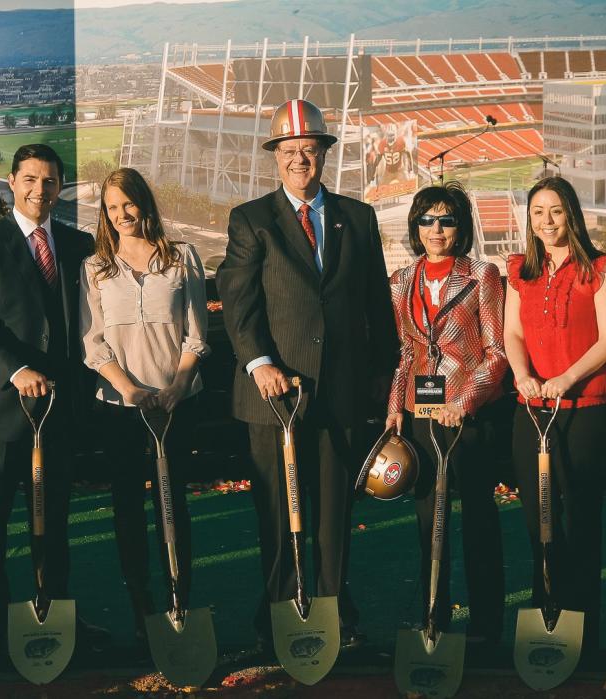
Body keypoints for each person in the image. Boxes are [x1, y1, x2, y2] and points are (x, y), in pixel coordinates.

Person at [216, 98, 398, 650]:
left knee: (334, 511)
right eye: (290, 150)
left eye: (310, 149)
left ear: (323, 154)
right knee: (277, 513)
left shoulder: (358, 217)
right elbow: (237, 300)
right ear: (276, 156)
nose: (301, 159)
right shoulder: (252, 220)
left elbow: (375, 306)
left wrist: (384, 377)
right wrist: (260, 362)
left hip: (341, 393)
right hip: (274, 396)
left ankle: (333, 611)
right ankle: (278, 616)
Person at [0, 144, 95, 662]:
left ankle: (53, 620)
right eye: (30, 180)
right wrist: (15, 370)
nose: (39, 190)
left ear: (61, 186)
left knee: (53, 524)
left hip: (61, 412)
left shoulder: (80, 245)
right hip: (0, 412)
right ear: (12, 182)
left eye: (50, 181)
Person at [79, 167, 210, 643]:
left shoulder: (182, 258)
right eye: (112, 209)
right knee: (128, 508)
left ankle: (181, 601)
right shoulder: (95, 267)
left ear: (145, 204)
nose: (122, 215)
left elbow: (196, 335)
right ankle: (142, 609)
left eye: (128, 204)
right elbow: (92, 342)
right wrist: (128, 389)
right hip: (120, 406)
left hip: (175, 403)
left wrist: (175, 387)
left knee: (173, 504)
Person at [503, 176, 606, 655]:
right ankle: (546, 624)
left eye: (555, 211)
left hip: (584, 410)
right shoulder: (521, 271)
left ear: (571, 214)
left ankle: (582, 631)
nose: (546, 221)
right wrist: (522, 376)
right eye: (537, 212)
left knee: (578, 522)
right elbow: (513, 334)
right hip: (531, 412)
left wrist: (565, 379)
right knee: (540, 524)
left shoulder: (601, 270)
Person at [383, 182, 507, 647]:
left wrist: (467, 399)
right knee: (427, 520)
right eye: (427, 220)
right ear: (416, 227)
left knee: (478, 517)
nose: (437, 229)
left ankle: (488, 627)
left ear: (461, 226)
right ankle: (434, 619)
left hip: (469, 415)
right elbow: (403, 352)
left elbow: (496, 353)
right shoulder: (400, 281)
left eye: (447, 219)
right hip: (421, 409)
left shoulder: (482, 275)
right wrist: (396, 407)